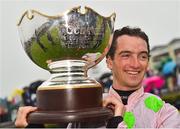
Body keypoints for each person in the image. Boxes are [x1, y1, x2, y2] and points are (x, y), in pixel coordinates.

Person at [15, 26, 180, 128]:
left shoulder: (166, 113)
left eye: (143, 56)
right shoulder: (87, 107)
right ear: (109, 61)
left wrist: (117, 122)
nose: (136, 64)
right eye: (126, 55)